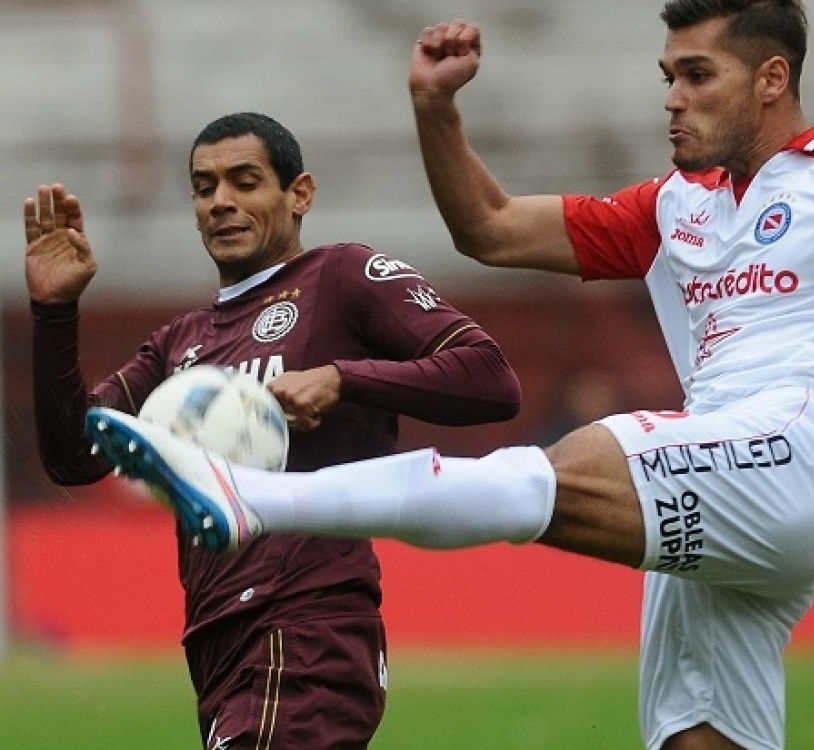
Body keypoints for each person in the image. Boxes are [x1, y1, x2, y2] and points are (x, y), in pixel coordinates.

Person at [83, 4, 814, 750]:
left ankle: (251, 498)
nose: (672, 99)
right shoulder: (673, 206)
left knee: (551, 473)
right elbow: (487, 228)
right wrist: (435, 110)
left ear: (772, 78)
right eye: (667, 77)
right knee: (699, 740)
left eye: (696, 76)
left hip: (794, 448)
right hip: (720, 484)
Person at [25, 112, 521, 749]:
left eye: (245, 181)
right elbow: (75, 457)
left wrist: (343, 378)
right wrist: (55, 311)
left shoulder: (340, 277)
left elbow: (490, 377)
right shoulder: (179, 344)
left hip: (305, 627)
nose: (220, 202)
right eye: (204, 188)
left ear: (299, 193)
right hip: (216, 641)